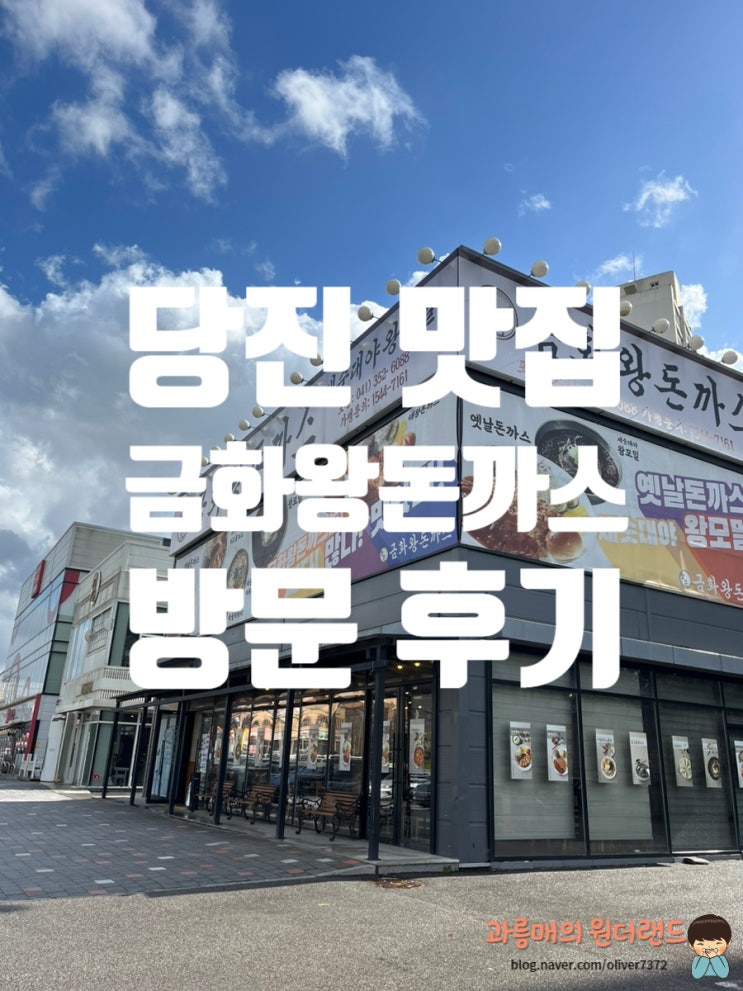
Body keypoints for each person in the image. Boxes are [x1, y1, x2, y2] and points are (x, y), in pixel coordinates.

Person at [688, 914, 732, 979]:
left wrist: (714, 957)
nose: (709, 947)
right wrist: (704, 958)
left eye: (717, 943)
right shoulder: (698, 959)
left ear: (728, 943)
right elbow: (697, 974)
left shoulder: (721, 959)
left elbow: (723, 973)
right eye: (701, 944)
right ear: (691, 946)